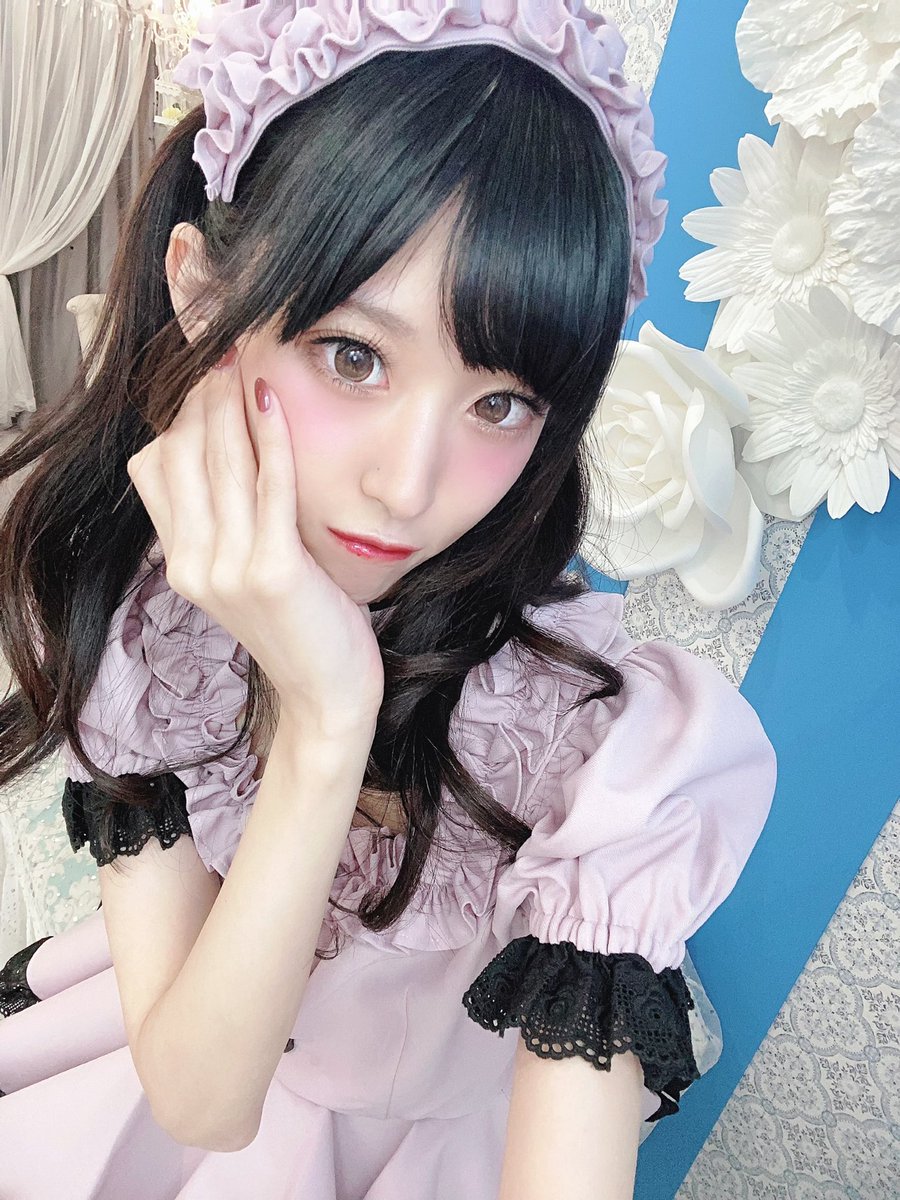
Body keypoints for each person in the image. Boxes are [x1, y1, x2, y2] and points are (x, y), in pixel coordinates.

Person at [0, 1, 777, 1196]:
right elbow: (203, 1102)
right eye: (354, 355)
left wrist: (333, 701)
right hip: (199, 1049)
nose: (409, 487)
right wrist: (325, 722)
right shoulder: (162, 617)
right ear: (203, 297)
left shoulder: (602, 751)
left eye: (500, 402)